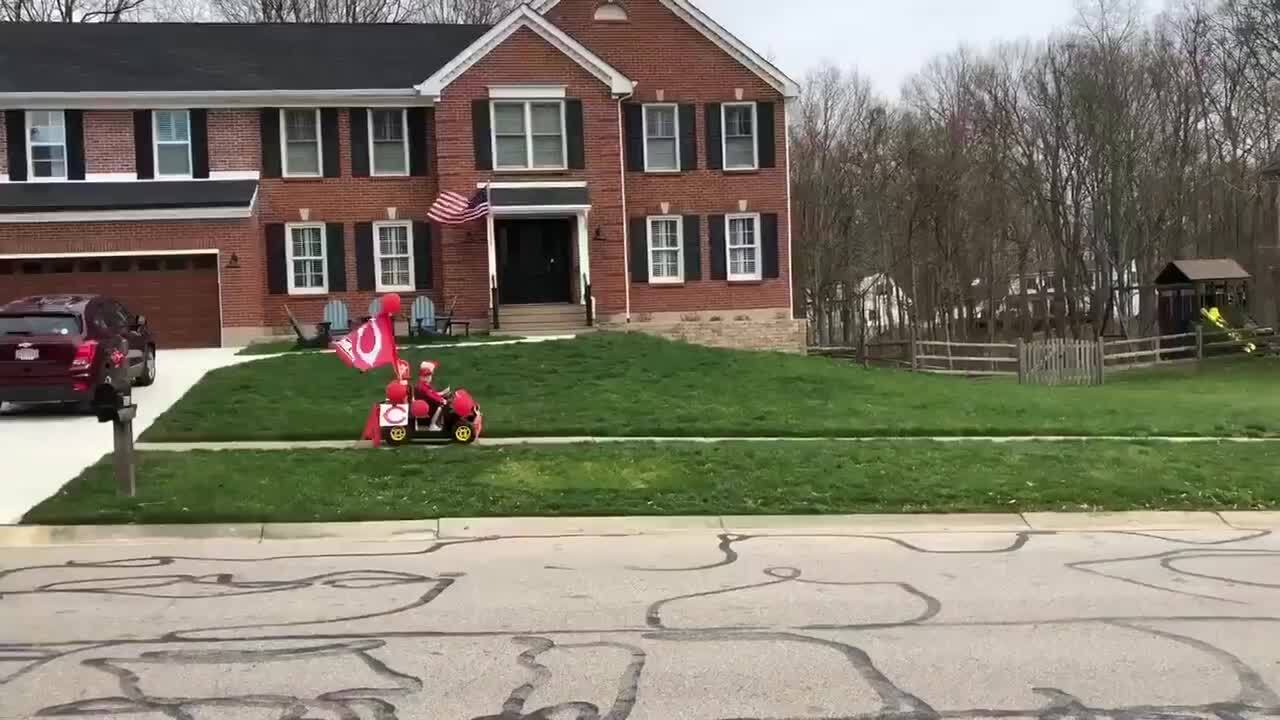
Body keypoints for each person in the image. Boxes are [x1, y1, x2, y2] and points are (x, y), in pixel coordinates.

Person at [416, 361, 446, 431]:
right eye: (426, 376)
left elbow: (433, 394)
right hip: (424, 406)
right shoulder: (422, 386)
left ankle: (438, 423)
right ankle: (432, 424)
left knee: (440, 404)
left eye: (429, 376)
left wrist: (442, 395)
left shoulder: (425, 385)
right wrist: (441, 400)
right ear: (421, 377)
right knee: (439, 407)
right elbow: (431, 396)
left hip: (426, 403)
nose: (428, 378)